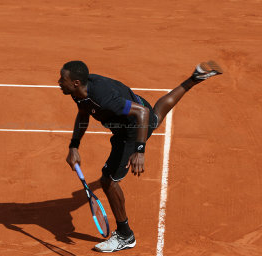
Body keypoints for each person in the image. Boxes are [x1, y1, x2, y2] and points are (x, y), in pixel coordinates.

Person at [58, 60, 223, 253]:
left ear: (76, 82)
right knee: (155, 117)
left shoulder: (103, 98)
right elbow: (84, 114)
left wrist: (139, 150)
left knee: (108, 180)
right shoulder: (80, 93)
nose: (59, 81)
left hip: (132, 129)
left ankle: (125, 235)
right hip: (138, 106)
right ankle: (193, 79)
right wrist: (74, 145)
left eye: (63, 79)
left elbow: (141, 113)